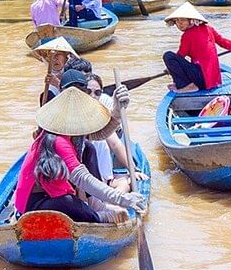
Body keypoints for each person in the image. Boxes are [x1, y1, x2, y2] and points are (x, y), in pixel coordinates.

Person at [14, 85, 145, 224]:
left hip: (52, 196)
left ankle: (98, 207)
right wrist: (121, 198)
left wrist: (117, 112)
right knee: (70, 204)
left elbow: (100, 133)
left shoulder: (72, 137)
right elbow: (83, 178)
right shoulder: (58, 140)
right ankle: (100, 217)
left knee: (87, 154)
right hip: (35, 206)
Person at [86, 73, 149, 193]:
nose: (93, 96)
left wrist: (133, 170)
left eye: (97, 93)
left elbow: (115, 143)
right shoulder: (73, 121)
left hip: (104, 180)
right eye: (88, 92)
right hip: (86, 182)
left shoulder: (100, 118)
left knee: (125, 183)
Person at [162, 2, 231, 93]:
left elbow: (180, 55)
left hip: (202, 80)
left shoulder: (187, 35)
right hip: (213, 81)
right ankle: (183, 83)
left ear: (191, 20)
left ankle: (188, 86)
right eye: (177, 20)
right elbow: (224, 42)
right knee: (180, 63)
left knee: (168, 56)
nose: (179, 23)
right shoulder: (208, 29)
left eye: (183, 20)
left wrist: (170, 68)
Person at [32, 37, 79, 105]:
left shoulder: (75, 71)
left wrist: (57, 84)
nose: (54, 59)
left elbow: (77, 98)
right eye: (50, 55)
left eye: (58, 54)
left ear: (66, 57)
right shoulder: (50, 68)